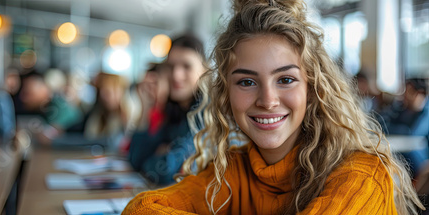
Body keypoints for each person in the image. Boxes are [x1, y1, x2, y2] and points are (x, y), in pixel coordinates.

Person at [123, 0, 424, 214]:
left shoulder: (363, 176)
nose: (267, 100)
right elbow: (142, 208)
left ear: (313, 87)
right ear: (226, 95)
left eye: (286, 79)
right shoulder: (233, 173)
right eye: (247, 82)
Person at [128, 35, 206, 185]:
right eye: (171, 66)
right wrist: (146, 109)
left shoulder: (205, 111)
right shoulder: (174, 109)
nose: (176, 75)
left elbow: (165, 172)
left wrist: (161, 154)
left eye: (187, 66)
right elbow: (135, 161)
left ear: (204, 70)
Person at [379, 78, 429, 176]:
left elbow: (412, 133)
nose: (405, 96)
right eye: (405, 91)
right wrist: (395, 106)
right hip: (402, 153)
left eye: (410, 92)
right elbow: (381, 125)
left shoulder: (426, 112)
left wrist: (396, 129)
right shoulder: (401, 109)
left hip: (421, 158)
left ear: (421, 94)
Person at [20, 72, 83, 144]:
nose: (23, 98)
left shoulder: (57, 105)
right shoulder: (43, 108)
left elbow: (49, 136)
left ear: (43, 91)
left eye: (28, 94)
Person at [84, 72, 135, 153]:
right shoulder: (99, 114)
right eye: (102, 92)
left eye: (109, 92)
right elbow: (89, 139)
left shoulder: (131, 115)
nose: (105, 97)